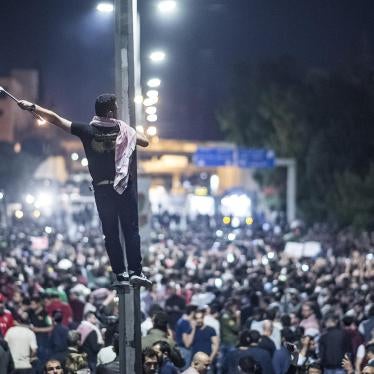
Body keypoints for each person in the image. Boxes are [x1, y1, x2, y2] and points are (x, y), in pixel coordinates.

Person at [17, 94, 151, 287]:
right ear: (112, 111)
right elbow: (145, 141)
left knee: (110, 233)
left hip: (102, 190)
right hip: (123, 188)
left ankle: (120, 275)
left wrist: (32, 107)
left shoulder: (86, 130)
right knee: (131, 230)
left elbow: (55, 119)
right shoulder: (124, 131)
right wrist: (125, 128)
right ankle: (135, 272)